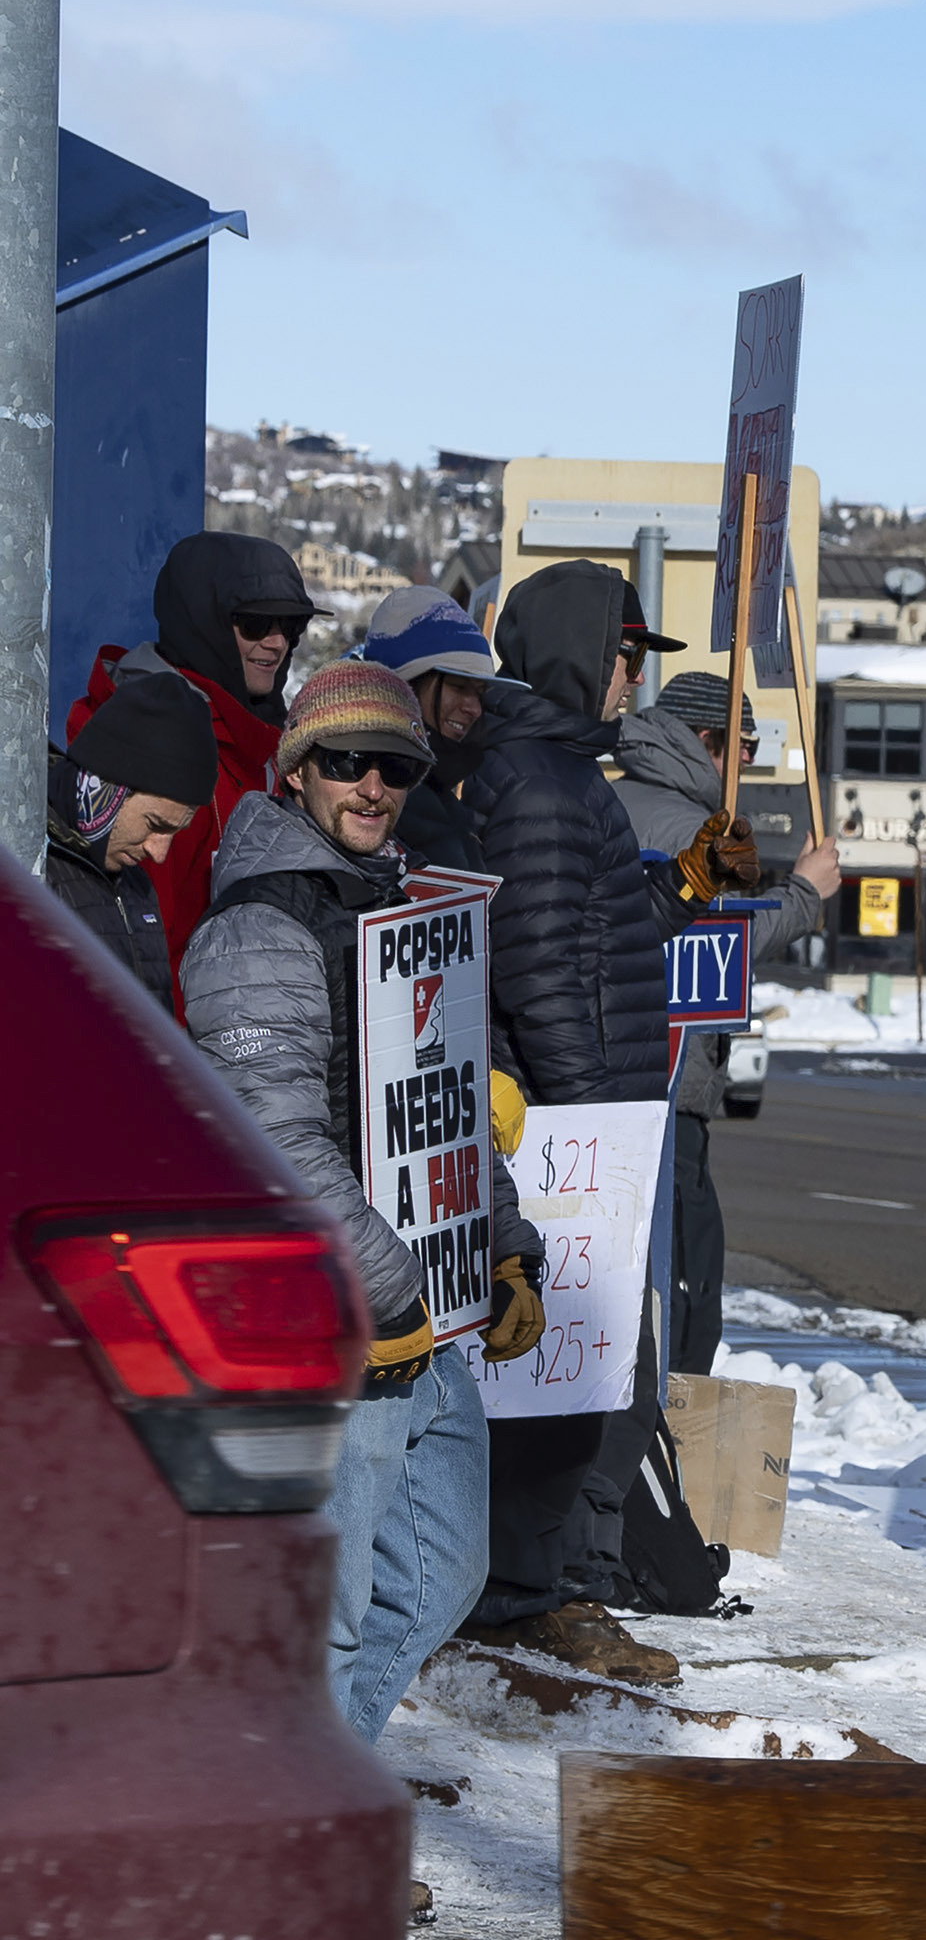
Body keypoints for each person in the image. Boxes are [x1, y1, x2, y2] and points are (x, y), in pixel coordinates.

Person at [176, 662, 546, 1741]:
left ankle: (320, 1797)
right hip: (336, 1327)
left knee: (442, 1577)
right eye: (345, 762)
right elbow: (275, 1141)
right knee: (324, 1622)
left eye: (394, 764)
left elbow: (451, 1103)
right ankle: (300, 1850)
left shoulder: (404, 904)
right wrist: (392, 1292)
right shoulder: (258, 926)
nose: (372, 785)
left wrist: (502, 1247)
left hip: (417, 1318)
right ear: (297, 773)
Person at [448, 560, 687, 1669]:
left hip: (565, 1113)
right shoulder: (542, 781)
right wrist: (594, 1124)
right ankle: (515, 1598)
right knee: (546, 1384)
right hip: (556, 1127)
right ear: (580, 658)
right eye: (626, 655)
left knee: (557, 1380)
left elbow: (570, 930)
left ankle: (521, 1588)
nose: (632, 680)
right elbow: (539, 965)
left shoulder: (546, 772)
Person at [619, 668, 840, 1372]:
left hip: (628, 1080)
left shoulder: (613, 798)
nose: (748, 761)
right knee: (683, 1294)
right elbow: (725, 938)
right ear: (707, 742)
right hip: (666, 1083)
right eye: (742, 746)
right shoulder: (688, 828)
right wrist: (805, 893)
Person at [66, 532, 319, 974]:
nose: (277, 643)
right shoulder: (151, 749)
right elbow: (143, 945)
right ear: (204, 624)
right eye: (256, 625)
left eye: (292, 626)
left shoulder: (266, 740)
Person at [37, 654, 219, 1005]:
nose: (159, 852)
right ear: (110, 785)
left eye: (174, 832)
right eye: (155, 824)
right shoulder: (25, 860)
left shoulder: (134, 882)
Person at [360, 592, 509, 880]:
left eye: (480, 693)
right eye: (458, 687)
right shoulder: (373, 801)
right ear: (404, 686)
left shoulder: (443, 801)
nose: (474, 709)